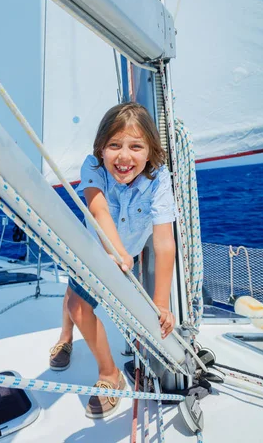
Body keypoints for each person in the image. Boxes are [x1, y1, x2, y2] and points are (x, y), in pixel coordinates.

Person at [49, 102, 177, 419]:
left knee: (74, 301)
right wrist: (116, 250)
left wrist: (160, 303)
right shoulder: (92, 167)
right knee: (76, 304)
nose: (124, 156)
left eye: (136, 146)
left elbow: (163, 241)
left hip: (125, 254)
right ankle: (107, 372)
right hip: (91, 250)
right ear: (101, 149)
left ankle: (74, 340)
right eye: (114, 146)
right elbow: (99, 209)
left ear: (150, 151)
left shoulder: (160, 181)